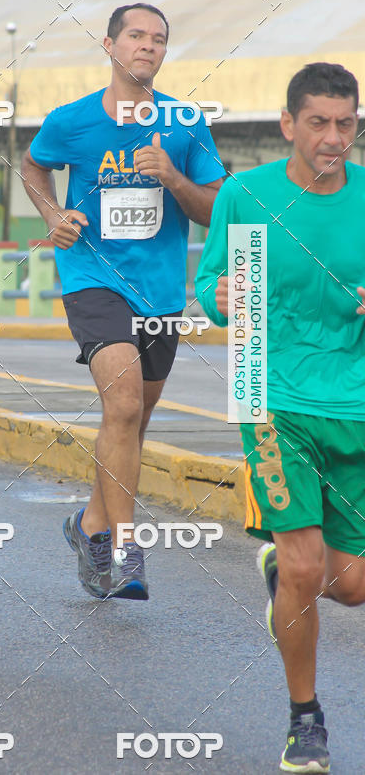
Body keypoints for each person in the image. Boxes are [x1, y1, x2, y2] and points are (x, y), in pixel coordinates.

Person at [21, 3, 224, 600]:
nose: (148, 47)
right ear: (109, 45)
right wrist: (53, 213)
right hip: (92, 277)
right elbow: (34, 164)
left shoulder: (185, 123)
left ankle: (90, 527)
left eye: (159, 40)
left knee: (129, 421)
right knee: (125, 404)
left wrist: (173, 177)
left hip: (160, 290)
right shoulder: (73, 121)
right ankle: (128, 551)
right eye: (136, 36)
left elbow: (215, 210)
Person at [195, 62, 365, 773]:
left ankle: (287, 571)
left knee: (350, 584)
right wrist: (221, 296)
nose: (333, 138)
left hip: (353, 401)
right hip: (268, 394)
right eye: (319, 123)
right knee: (303, 565)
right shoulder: (245, 194)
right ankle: (305, 718)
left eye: (346, 123)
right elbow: (208, 284)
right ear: (289, 124)